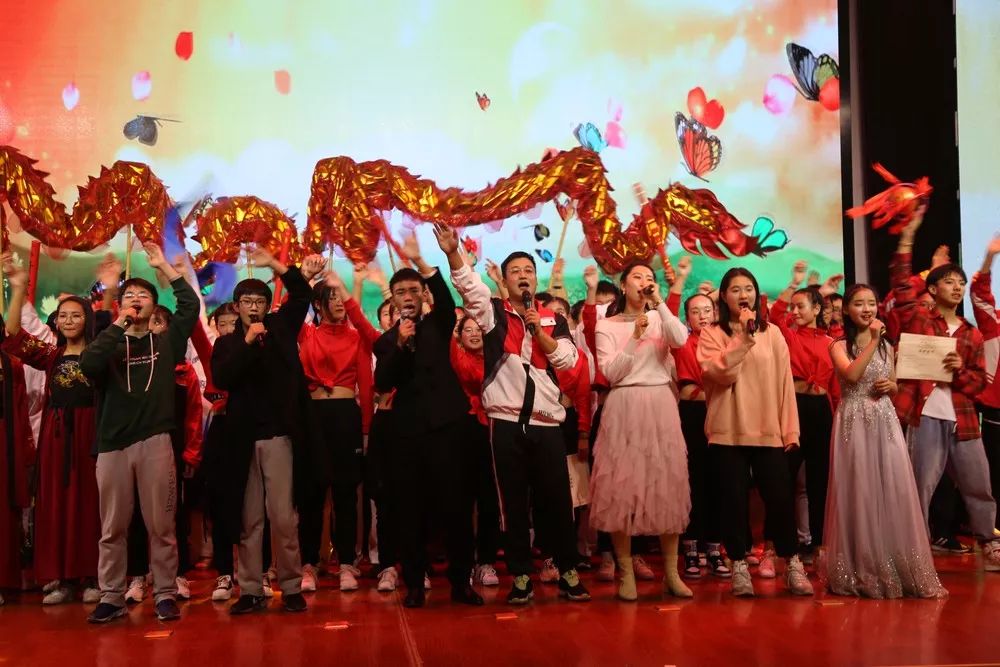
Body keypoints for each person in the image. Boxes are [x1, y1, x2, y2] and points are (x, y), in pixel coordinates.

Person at [445, 224, 590, 605]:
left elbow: (568, 361)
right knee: (511, 503)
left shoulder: (553, 320)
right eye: (515, 272)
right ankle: (521, 575)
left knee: (557, 501)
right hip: (507, 424)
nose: (523, 276)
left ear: (535, 279)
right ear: (506, 281)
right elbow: (469, 288)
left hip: (547, 424)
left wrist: (538, 331)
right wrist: (453, 253)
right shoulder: (493, 314)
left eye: (528, 270)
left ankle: (568, 570)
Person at [80, 242, 199, 624]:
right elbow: (88, 364)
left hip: (156, 442)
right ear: (120, 304)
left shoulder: (166, 342)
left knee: (161, 526)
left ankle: (164, 593)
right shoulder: (110, 343)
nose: (136, 299)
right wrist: (118, 323)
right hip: (113, 445)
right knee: (112, 528)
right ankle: (111, 596)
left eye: (143, 295)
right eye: (129, 295)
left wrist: (163, 265)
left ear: (154, 306)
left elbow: (189, 306)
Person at [211, 249, 323, 615]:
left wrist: (276, 265)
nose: (254, 307)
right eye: (247, 302)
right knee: (249, 520)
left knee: (283, 517)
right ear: (237, 307)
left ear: (267, 304)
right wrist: (246, 342)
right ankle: (250, 589)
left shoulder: (280, 327)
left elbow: (302, 293)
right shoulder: (226, 343)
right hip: (242, 440)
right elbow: (223, 378)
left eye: (259, 301)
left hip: (279, 436)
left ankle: (290, 585)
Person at [373, 232, 482, 608]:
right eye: (400, 291)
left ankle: (461, 582)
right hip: (407, 433)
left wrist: (422, 262)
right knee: (410, 509)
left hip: (449, 427)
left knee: (456, 507)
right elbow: (383, 381)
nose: (407, 296)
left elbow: (446, 297)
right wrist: (401, 345)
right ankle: (415, 584)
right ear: (392, 298)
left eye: (413, 290)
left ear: (422, 295)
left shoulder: (438, 323)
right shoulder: (386, 341)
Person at [890, 207, 1000, 570]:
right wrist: (909, 235)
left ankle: (989, 542)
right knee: (920, 485)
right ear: (933, 289)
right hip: (925, 415)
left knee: (978, 483)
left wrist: (957, 372)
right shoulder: (920, 319)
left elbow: (979, 382)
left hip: (963, 420)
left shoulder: (971, 334)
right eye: (949, 282)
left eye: (960, 283)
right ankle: (916, 549)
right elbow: (901, 285)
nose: (957, 287)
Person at [823, 284, 947, 598]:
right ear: (846, 309)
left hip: (884, 418)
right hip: (854, 419)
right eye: (859, 304)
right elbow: (851, 376)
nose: (867, 309)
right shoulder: (838, 345)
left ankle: (896, 563)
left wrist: (891, 386)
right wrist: (874, 341)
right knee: (861, 488)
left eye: (871, 303)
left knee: (892, 485)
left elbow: (893, 383)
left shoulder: (886, 346)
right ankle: (863, 566)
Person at [697, 267, 814, 597]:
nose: (743, 295)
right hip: (728, 432)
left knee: (780, 499)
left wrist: (790, 431)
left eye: (748, 288)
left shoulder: (772, 333)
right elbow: (721, 373)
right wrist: (744, 338)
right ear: (723, 296)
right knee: (733, 502)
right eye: (735, 289)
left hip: (768, 430)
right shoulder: (712, 334)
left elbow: (784, 384)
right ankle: (738, 564)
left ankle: (792, 562)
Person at [589, 262, 691, 601]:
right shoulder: (606, 325)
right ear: (623, 285)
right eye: (637, 277)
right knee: (621, 487)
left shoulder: (661, 318)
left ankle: (672, 573)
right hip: (624, 404)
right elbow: (611, 373)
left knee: (667, 484)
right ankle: (626, 573)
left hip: (660, 403)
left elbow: (681, 339)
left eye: (649, 277)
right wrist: (634, 338)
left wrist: (660, 302)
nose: (644, 282)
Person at [1, 257, 100, 606]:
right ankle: (61, 578)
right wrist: (17, 287)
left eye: (76, 315)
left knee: (91, 505)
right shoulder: (51, 356)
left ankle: (93, 576)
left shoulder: (100, 355)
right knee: (56, 506)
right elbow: (12, 336)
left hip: (91, 437)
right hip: (55, 439)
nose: (68, 321)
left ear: (88, 320)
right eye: (63, 316)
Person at [297, 267, 378, 593]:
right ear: (318, 304)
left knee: (346, 494)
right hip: (313, 417)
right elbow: (287, 311)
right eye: (331, 297)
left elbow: (367, 385)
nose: (339, 302)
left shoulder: (357, 337)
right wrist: (304, 277)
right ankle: (309, 563)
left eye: (341, 296)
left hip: (346, 416)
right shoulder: (306, 334)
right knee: (311, 495)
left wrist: (366, 430)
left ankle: (346, 562)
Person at [770, 261, 840, 559]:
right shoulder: (789, 336)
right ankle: (781, 544)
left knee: (819, 481)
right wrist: (794, 283)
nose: (795, 312)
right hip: (794, 408)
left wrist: (836, 419)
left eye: (801, 307)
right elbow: (775, 315)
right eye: (794, 307)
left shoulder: (831, 342)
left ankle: (818, 543)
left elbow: (835, 390)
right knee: (783, 478)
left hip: (821, 412)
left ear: (817, 310)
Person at [668, 265, 729, 580]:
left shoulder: (726, 341)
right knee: (692, 481)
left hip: (721, 414)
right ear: (687, 318)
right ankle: (691, 549)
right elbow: (668, 313)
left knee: (719, 481)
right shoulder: (681, 342)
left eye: (708, 310)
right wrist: (679, 280)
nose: (703, 316)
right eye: (695, 311)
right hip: (691, 416)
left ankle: (715, 548)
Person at [450, 315, 502, 587]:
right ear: (459, 336)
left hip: (494, 428)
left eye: (478, 329)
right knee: (462, 501)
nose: (473, 334)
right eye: (467, 330)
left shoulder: (498, 360)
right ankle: (464, 562)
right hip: (464, 430)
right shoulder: (458, 359)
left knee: (490, 500)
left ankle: (486, 561)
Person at [970, 236, 1000, 533]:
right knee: (996, 470)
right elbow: (979, 294)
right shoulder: (994, 323)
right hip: (996, 409)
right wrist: (990, 258)